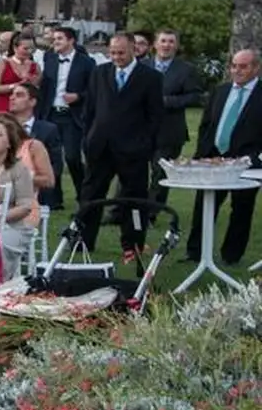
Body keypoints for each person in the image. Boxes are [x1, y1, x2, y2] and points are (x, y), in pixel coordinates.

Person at [78, 33, 165, 257]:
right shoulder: (100, 73)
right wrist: (88, 138)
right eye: (113, 52)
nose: (116, 57)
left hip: (133, 150)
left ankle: (132, 244)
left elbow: (155, 116)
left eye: (121, 53)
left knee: (134, 199)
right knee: (91, 195)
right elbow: (90, 109)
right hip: (100, 147)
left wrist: (144, 143)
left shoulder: (150, 77)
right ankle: (83, 241)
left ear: (134, 50)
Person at [186, 47, 261, 264]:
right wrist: (202, 155)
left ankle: (231, 255)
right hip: (214, 159)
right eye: (234, 66)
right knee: (204, 205)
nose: (237, 71)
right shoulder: (221, 91)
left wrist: (255, 159)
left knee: (241, 209)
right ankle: (195, 252)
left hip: (247, 163)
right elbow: (207, 125)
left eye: (243, 66)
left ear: (256, 68)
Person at [149, 30, 206, 205]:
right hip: (141, 129)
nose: (166, 45)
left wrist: (168, 101)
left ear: (176, 46)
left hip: (170, 131)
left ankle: (151, 211)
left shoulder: (186, 70)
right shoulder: (142, 66)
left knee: (160, 172)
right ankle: (120, 211)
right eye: (163, 41)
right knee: (129, 170)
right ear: (155, 44)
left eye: (171, 42)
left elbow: (195, 96)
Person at [0, 114, 41, 279]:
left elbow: (25, 206)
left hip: (14, 224)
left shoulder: (19, 169)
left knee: (0, 246)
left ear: (9, 143)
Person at [41, 25, 96, 198]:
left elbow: (94, 90)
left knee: (72, 157)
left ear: (71, 40)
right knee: (51, 158)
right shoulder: (48, 58)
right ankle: (54, 197)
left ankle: (83, 194)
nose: (55, 42)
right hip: (51, 114)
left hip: (72, 116)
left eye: (59, 39)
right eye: (54, 39)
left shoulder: (86, 62)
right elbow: (45, 87)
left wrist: (78, 96)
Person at [0, 32, 40, 115]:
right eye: (26, 49)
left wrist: (33, 83)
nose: (29, 52)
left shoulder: (35, 66)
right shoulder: (3, 64)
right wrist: (15, 86)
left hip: (23, 110)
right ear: (15, 48)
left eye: (32, 49)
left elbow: (36, 89)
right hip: (2, 107)